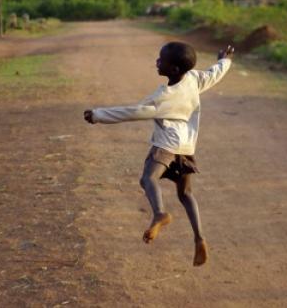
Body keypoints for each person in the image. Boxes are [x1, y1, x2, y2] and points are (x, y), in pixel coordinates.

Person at [83, 41, 234, 266]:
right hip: (187, 147)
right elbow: (215, 73)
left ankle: (160, 213)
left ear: (173, 70)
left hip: (166, 145)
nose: (157, 62)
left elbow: (133, 112)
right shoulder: (194, 79)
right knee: (185, 194)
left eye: (161, 60)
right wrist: (225, 59)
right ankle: (200, 238)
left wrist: (98, 115)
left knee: (148, 178)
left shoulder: (163, 95)